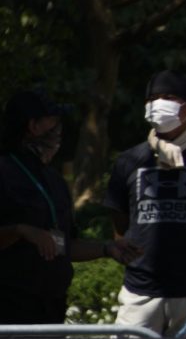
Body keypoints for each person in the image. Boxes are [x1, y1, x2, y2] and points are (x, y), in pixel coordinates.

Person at [107, 70, 186, 335]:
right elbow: (119, 218)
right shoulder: (129, 160)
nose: (159, 104)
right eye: (153, 98)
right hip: (140, 291)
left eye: (169, 97)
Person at [0, 89, 131, 325]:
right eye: (53, 120)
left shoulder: (54, 180)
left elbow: (63, 245)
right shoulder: (4, 172)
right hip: (10, 309)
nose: (59, 128)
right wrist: (21, 230)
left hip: (52, 309)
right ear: (33, 125)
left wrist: (107, 249)